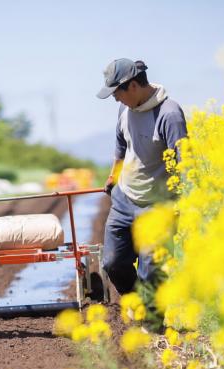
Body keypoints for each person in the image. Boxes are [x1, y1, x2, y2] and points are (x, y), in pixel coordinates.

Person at [96, 59, 187, 294]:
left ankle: (152, 322)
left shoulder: (169, 114)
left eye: (117, 93)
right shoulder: (124, 109)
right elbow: (120, 146)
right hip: (124, 200)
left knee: (152, 270)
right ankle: (139, 303)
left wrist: (181, 203)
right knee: (113, 264)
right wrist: (112, 177)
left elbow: (184, 161)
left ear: (133, 85)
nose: (115, 99)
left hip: (157, 205)